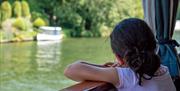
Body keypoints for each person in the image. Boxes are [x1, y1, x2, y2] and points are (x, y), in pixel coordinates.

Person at [64, 18, 176, 91]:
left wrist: (104, 67)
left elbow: (70, 70)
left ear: (119, 58)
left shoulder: (127, 76)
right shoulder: (164, 70)